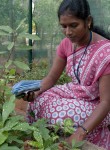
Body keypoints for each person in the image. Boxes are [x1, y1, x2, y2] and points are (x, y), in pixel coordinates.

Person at [23, 0, 110, 149]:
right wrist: (35, 92)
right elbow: (51, 78)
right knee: (36, 102)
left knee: (61, 115)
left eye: (73, 25)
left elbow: (105, 102)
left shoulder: (106, 52)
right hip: (75, 93)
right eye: (64, 26)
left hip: (97, 104)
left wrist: (81, 132)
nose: (68, 32)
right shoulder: (66, 44)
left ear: (87, 21)